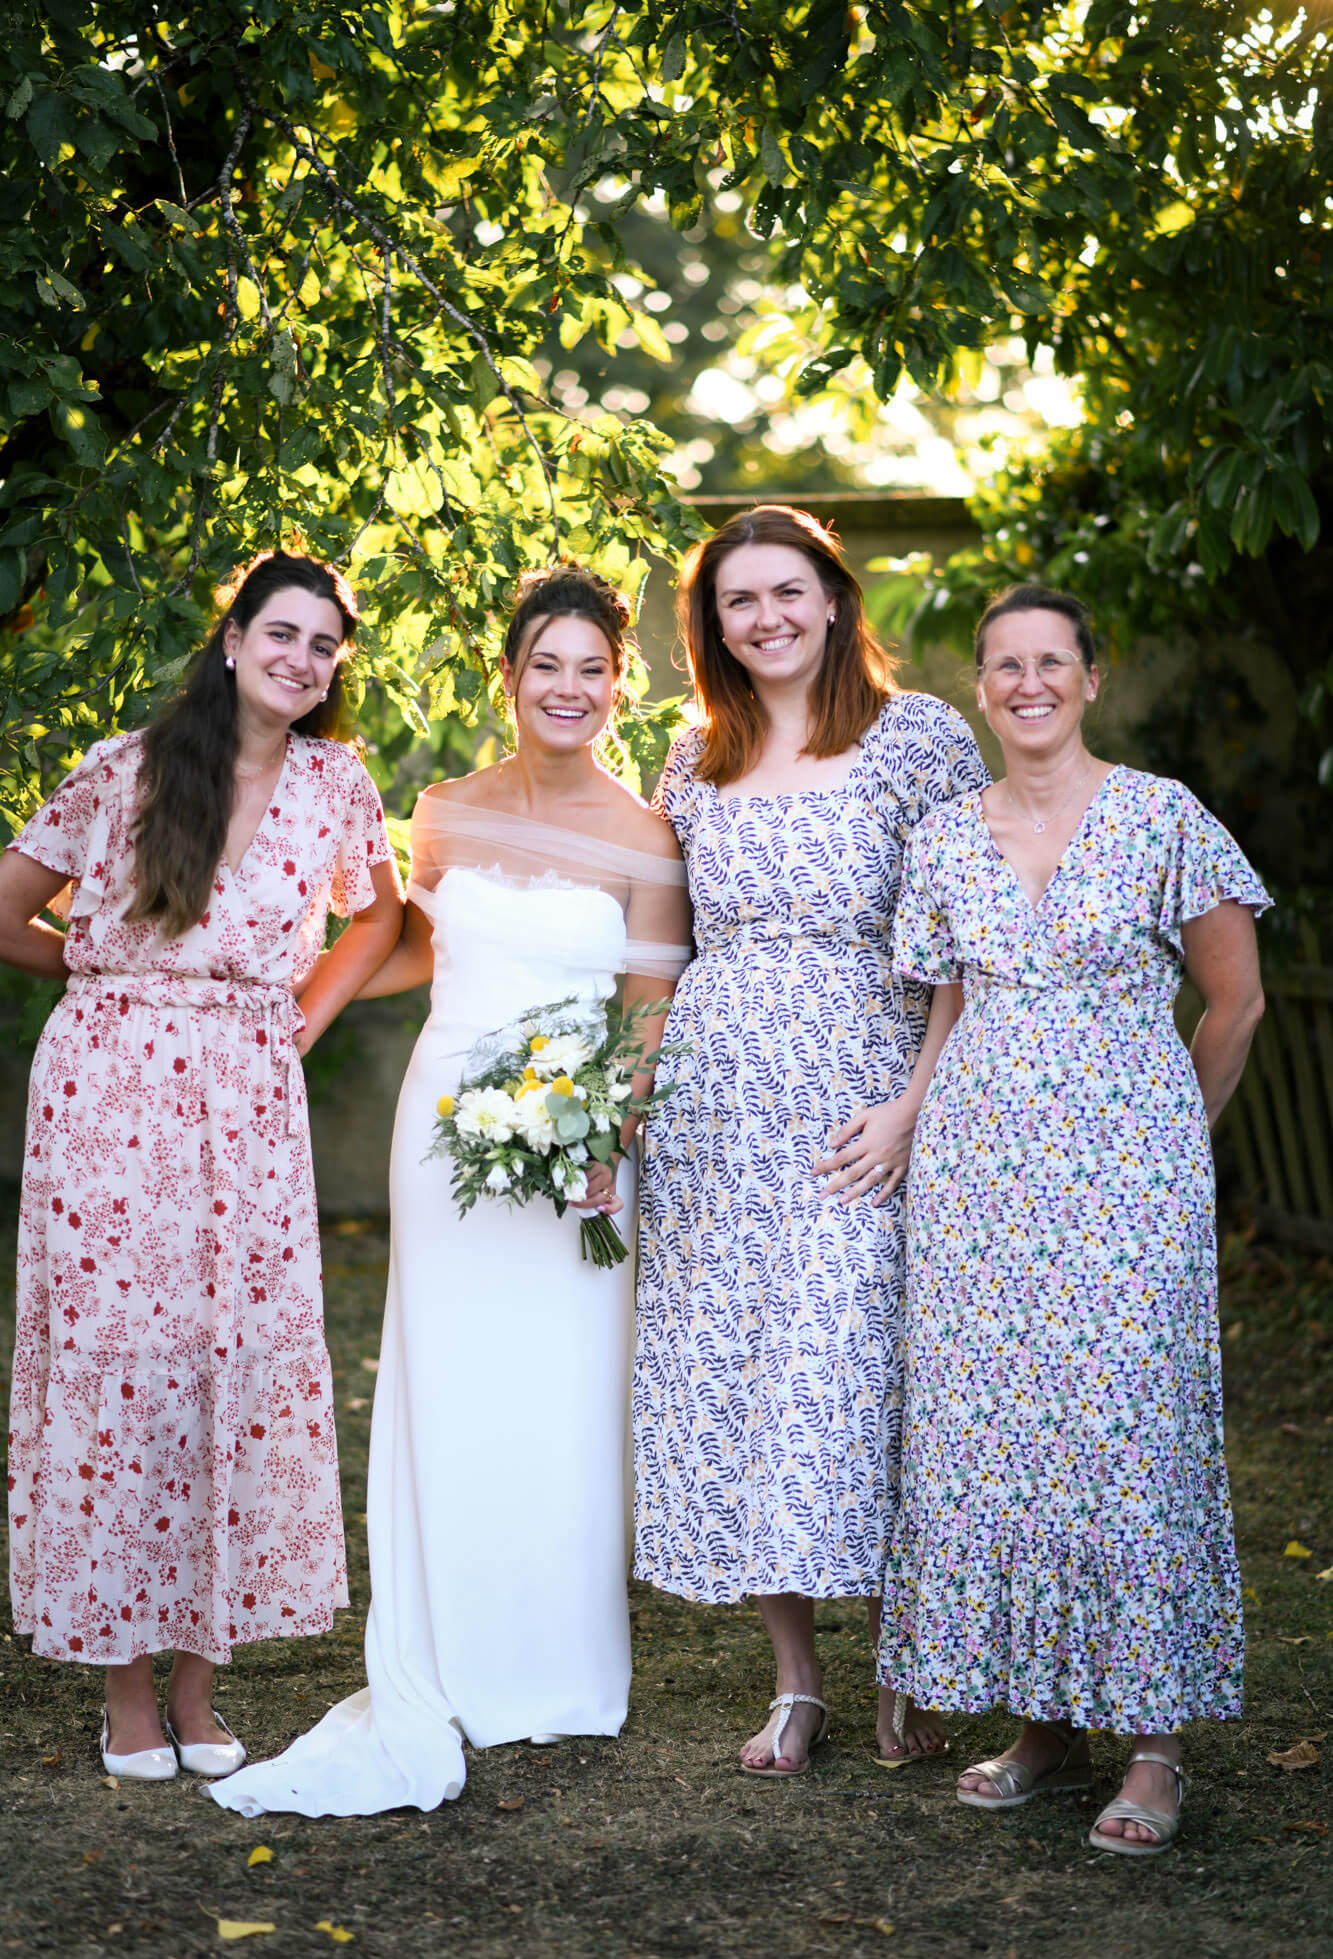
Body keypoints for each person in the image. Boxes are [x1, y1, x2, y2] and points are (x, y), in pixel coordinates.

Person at [207, 564, 692, 1818]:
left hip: (575, 1145)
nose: (568, 688)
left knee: (566, 1393)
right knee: (450, 1381)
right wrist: (277, 1005)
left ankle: (560, 1667)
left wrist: (607, 1132)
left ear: (618, 680)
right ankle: (453, 1649)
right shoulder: (442, 811)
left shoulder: (647, 836)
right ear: (512, 677)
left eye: (592, 668)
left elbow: (646, 1006)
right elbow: (415, 950)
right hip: (446, 1136)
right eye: (547, 666)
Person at [878, 581, 1269, 1855]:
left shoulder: (1162, 818)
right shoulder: (942, 837)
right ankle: (1044, 1720)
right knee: (1001, 1440)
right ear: (981, 687)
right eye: (1004, 664)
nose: (1028, 681)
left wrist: (1166, 1137)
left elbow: (1236, 1002)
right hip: (977, 1188)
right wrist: (912, 1117)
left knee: (1126, 1435)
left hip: (1127, 1191)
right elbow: (945, 1006)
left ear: (1089, 679)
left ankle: (1153, 1743)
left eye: (1052, 660)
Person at [0, 551, 402, 1781]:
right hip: (108, 1099)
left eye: (323, 645)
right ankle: (125, 1692)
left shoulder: (339, 782)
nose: (301, 657)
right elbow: (5, 909)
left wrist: (302, 1015)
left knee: (225, 1366)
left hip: (248, 1093)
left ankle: (201, 1680)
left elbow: (380, 915)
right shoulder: (121, 768)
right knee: (121, 1378)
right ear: (232, 639)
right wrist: (106, 982)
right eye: (281, 632)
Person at [634, 505, 990, 1775]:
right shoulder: (689, 754)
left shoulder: (918, 739)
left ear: (834, 599)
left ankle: (914, 1654)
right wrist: (627, 1089)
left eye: (788, 591)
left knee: (868, 1373)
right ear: (711, 626)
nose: (767, 617)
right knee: (732, 1376)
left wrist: (916, 1103)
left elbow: (969, 934)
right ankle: (796, 1681)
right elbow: (656, 945)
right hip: (715, 1111)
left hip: (864, 1102)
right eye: (739, 601)